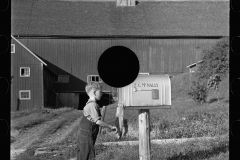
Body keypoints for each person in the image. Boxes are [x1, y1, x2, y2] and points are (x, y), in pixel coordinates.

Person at [77, 82, 118, 160]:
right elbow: (98, 121)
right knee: (87, 156)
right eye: (100, 92)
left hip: (85, 135)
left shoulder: (89, 103)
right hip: (87, 135)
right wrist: (110, 126)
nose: (102, 94)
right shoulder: (93, 105)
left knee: (83, 155)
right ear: (94, 92)